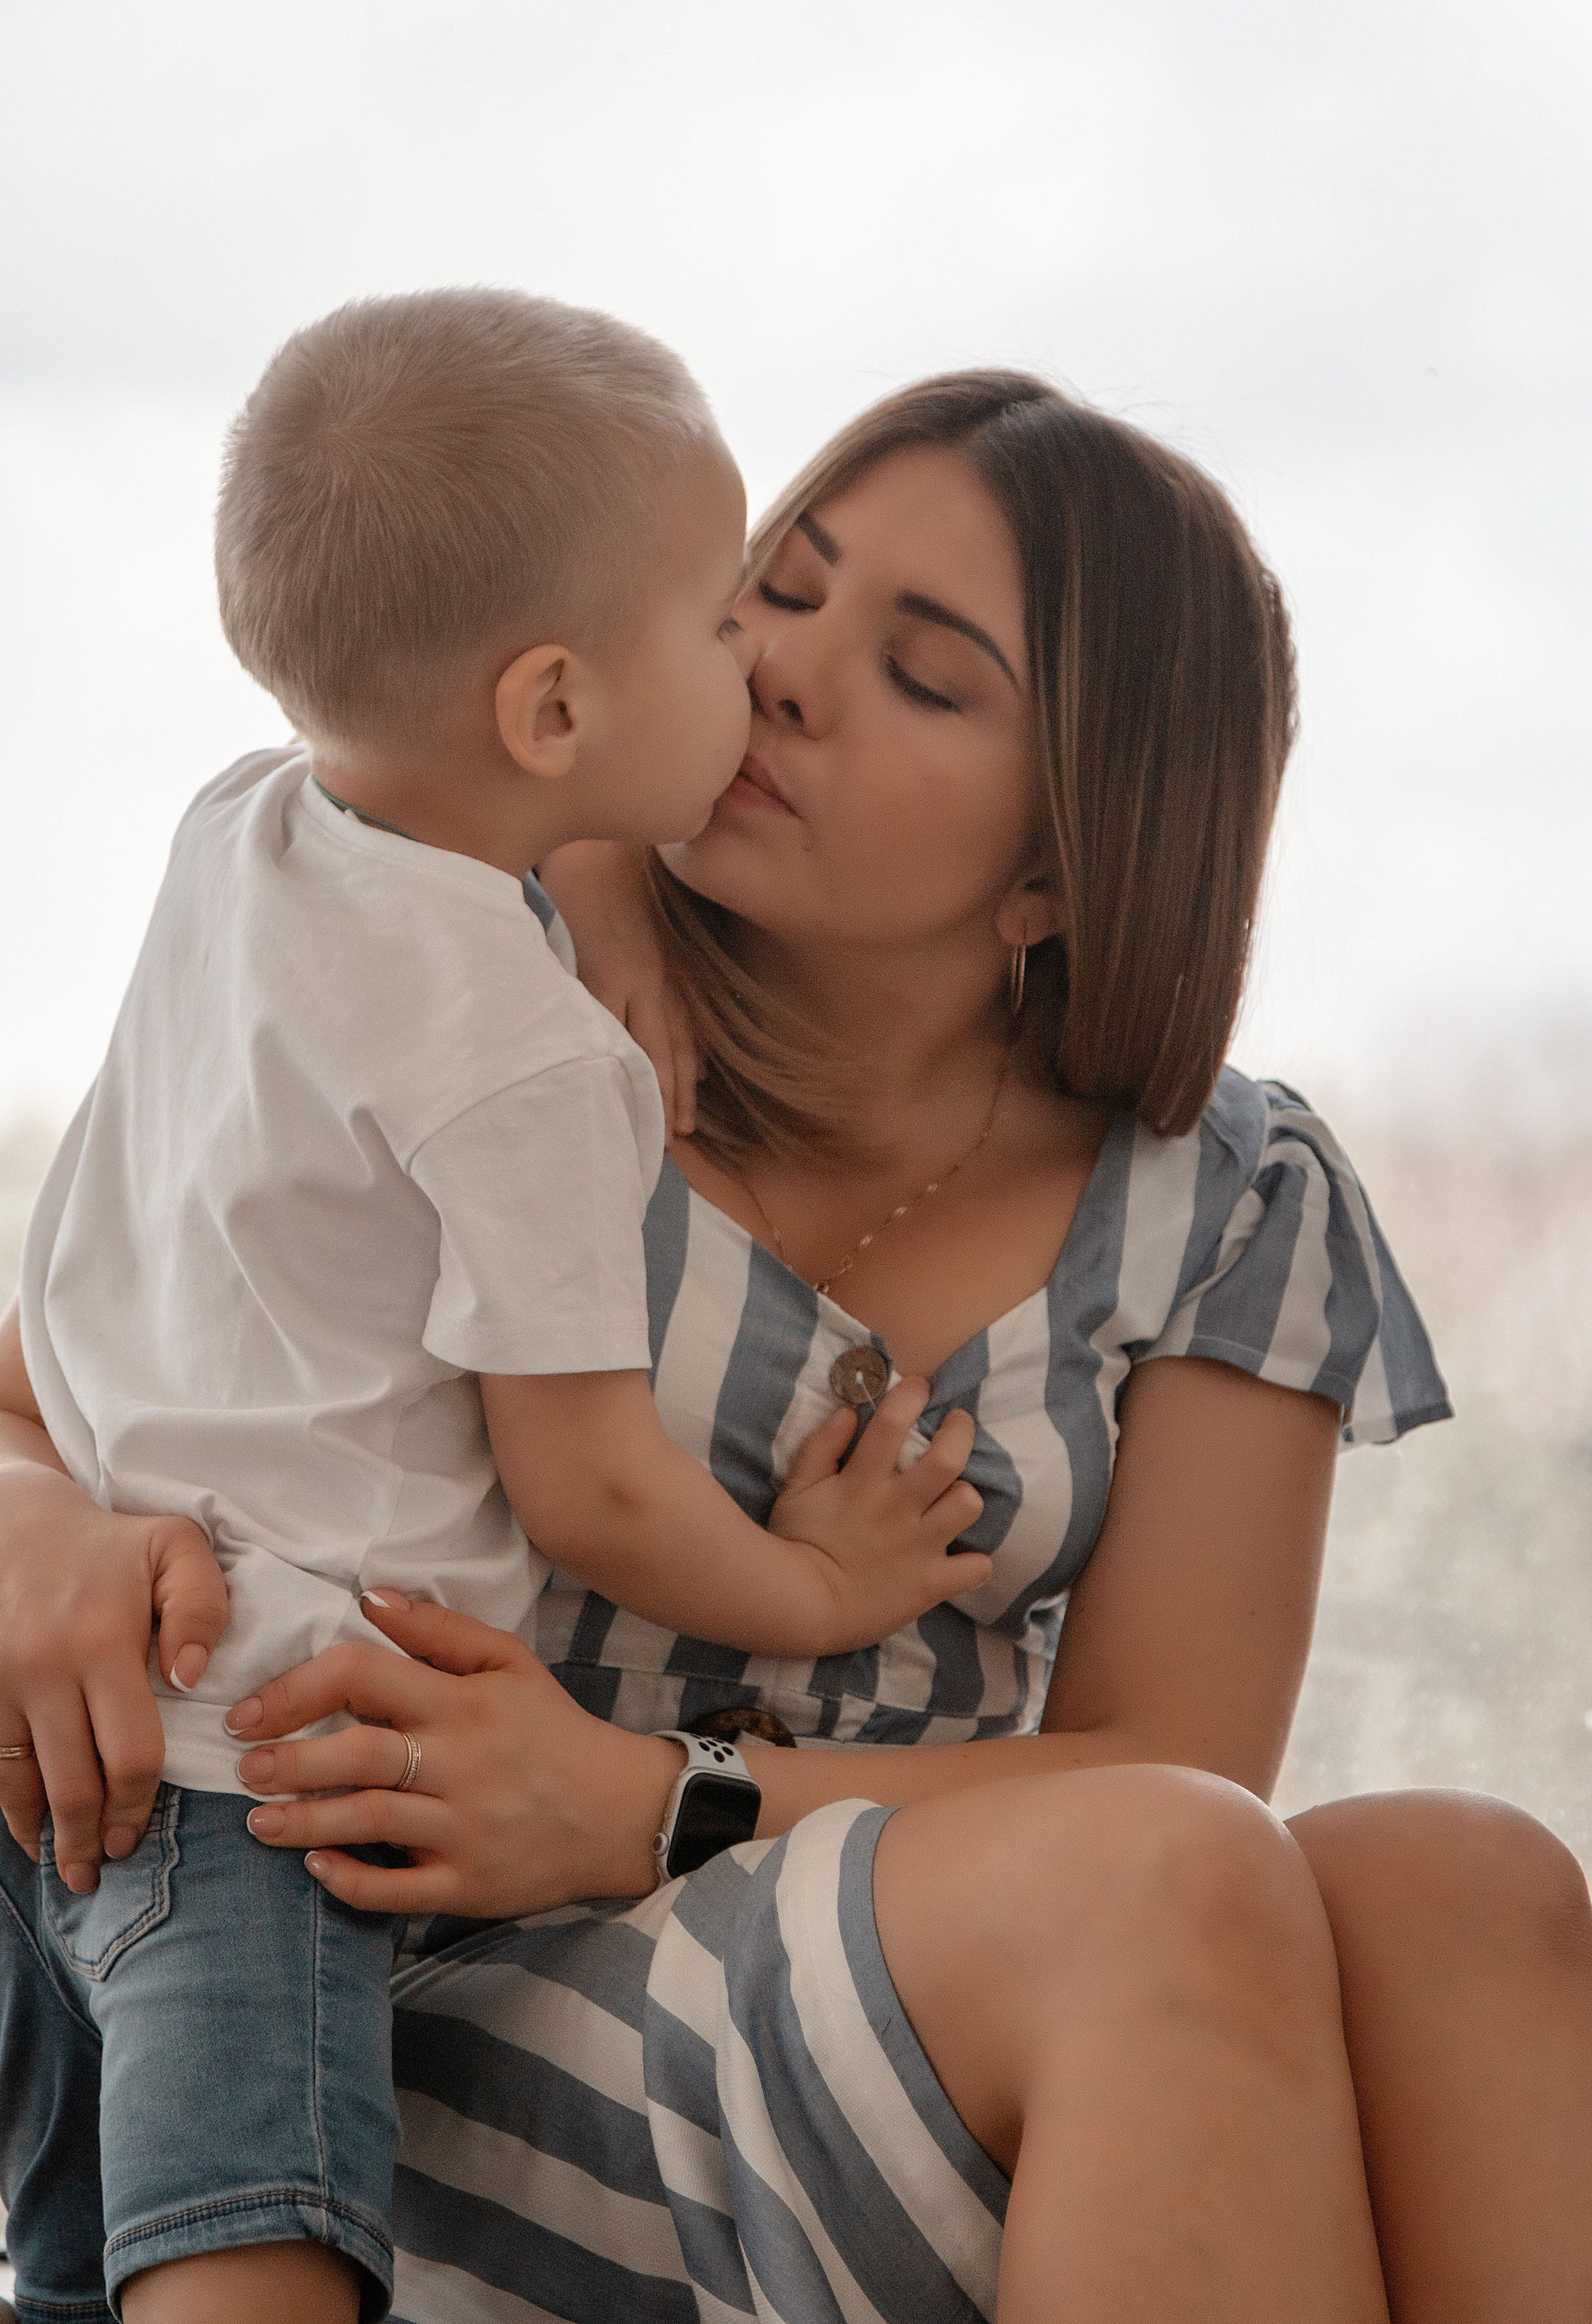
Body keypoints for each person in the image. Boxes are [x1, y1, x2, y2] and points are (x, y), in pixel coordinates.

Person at [4, 369, 1591, 2323]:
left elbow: (1169, 1757)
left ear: (1059, 870)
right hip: (405, 1959)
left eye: (923, 676)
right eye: (781, 588)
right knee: (1160, 1889)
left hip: (890, 1940)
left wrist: (654, 1797)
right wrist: (36, 1531)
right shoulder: (466, 973)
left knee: (1466, 1885)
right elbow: (40, 1385)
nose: (782, 675)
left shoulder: (1235, 1203)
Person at [0, 294, 993, 2324]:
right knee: (244, 2260)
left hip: (52, 1722)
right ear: (548, 714)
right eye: (727, 623)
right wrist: (816, 1583)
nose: (759, 671)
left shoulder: (234, 829)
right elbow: (591, 1490)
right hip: (256, 1750)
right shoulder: (532, 1068)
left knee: (70, 2256)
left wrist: (591, 855)